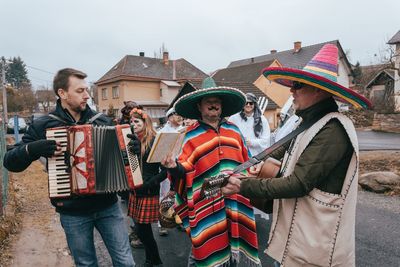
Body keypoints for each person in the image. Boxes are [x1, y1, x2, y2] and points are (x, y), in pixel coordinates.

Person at [221, 44, 372, 266]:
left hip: (316, 247)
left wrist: (242, 186)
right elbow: (282, 150)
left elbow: (298, 183)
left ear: (318, 89)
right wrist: (248, 168)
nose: (291, 91)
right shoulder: (310, 122)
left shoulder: (333, 129)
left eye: (298, 85)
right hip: (302, 241)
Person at [3, 68, 135, 267]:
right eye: (80, 91)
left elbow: (127, 160)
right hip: (73, 213)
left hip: (108, 207)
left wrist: (134, 149)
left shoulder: (102, 121)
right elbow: (10, 161)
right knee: (86, 264)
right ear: (62, 93)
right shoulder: (43, 125)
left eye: (86, 90)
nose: (87, 95)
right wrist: (32, 149)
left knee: (126, 263)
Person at [161, 77, 261, 267]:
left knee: (235, 248)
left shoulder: (234, 131)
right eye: (209, 101)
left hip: (235, 200)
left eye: (217, 101)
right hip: (205, 204)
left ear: (222, 105)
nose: (213, 105)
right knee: (204, 249)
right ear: (199, 106)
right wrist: (174, 168)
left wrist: (252, 170)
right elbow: (184, 170)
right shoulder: (189, 136)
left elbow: (246, 161)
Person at [127, 108, 167, 267]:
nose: (133, 124)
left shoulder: (156, 140)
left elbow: (166, 171)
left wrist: (149, 184)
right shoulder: (131, 139)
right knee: (140, 228)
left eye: (137, 122)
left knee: (143, 229)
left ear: (146, 123)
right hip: (135, 189)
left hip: (148, 190)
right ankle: (152, 259)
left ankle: (154, 260)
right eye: (132, 122)